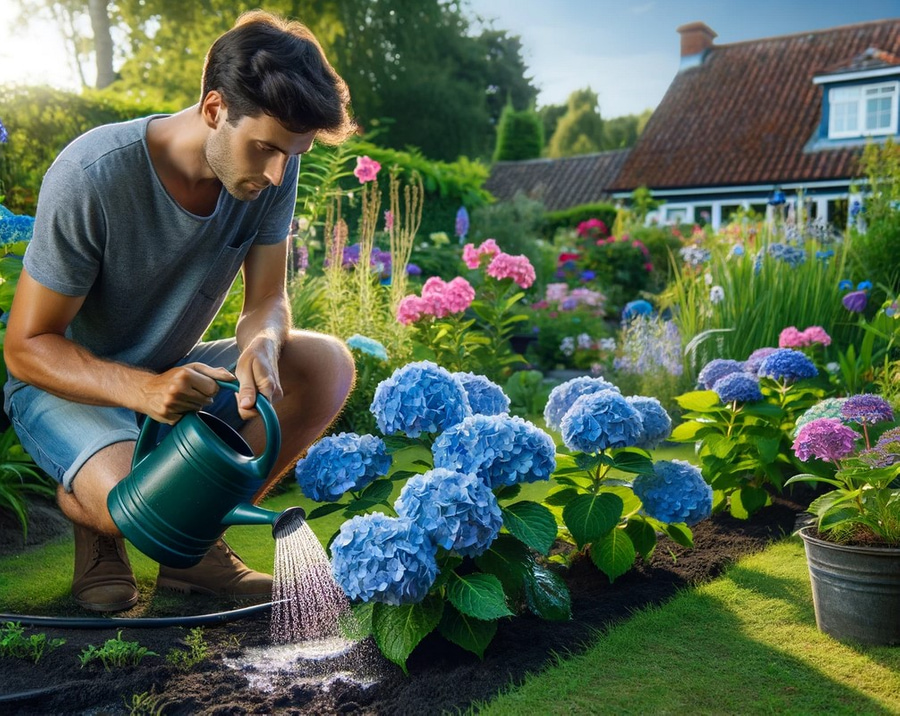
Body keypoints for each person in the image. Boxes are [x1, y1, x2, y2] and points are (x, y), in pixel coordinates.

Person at [3, 10, 357, 612]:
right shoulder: (92, 175)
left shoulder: (273, 166)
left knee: (324, 365)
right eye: (266, 149)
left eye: (289, 155)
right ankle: (97, 528)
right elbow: (26, 345)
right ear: (215, 110)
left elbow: (268, 297)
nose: (276, 174)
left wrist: (263, 343)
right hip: (64, 385)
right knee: (140, 506)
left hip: (171, 374)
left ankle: (189, 556)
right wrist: (142, 391)